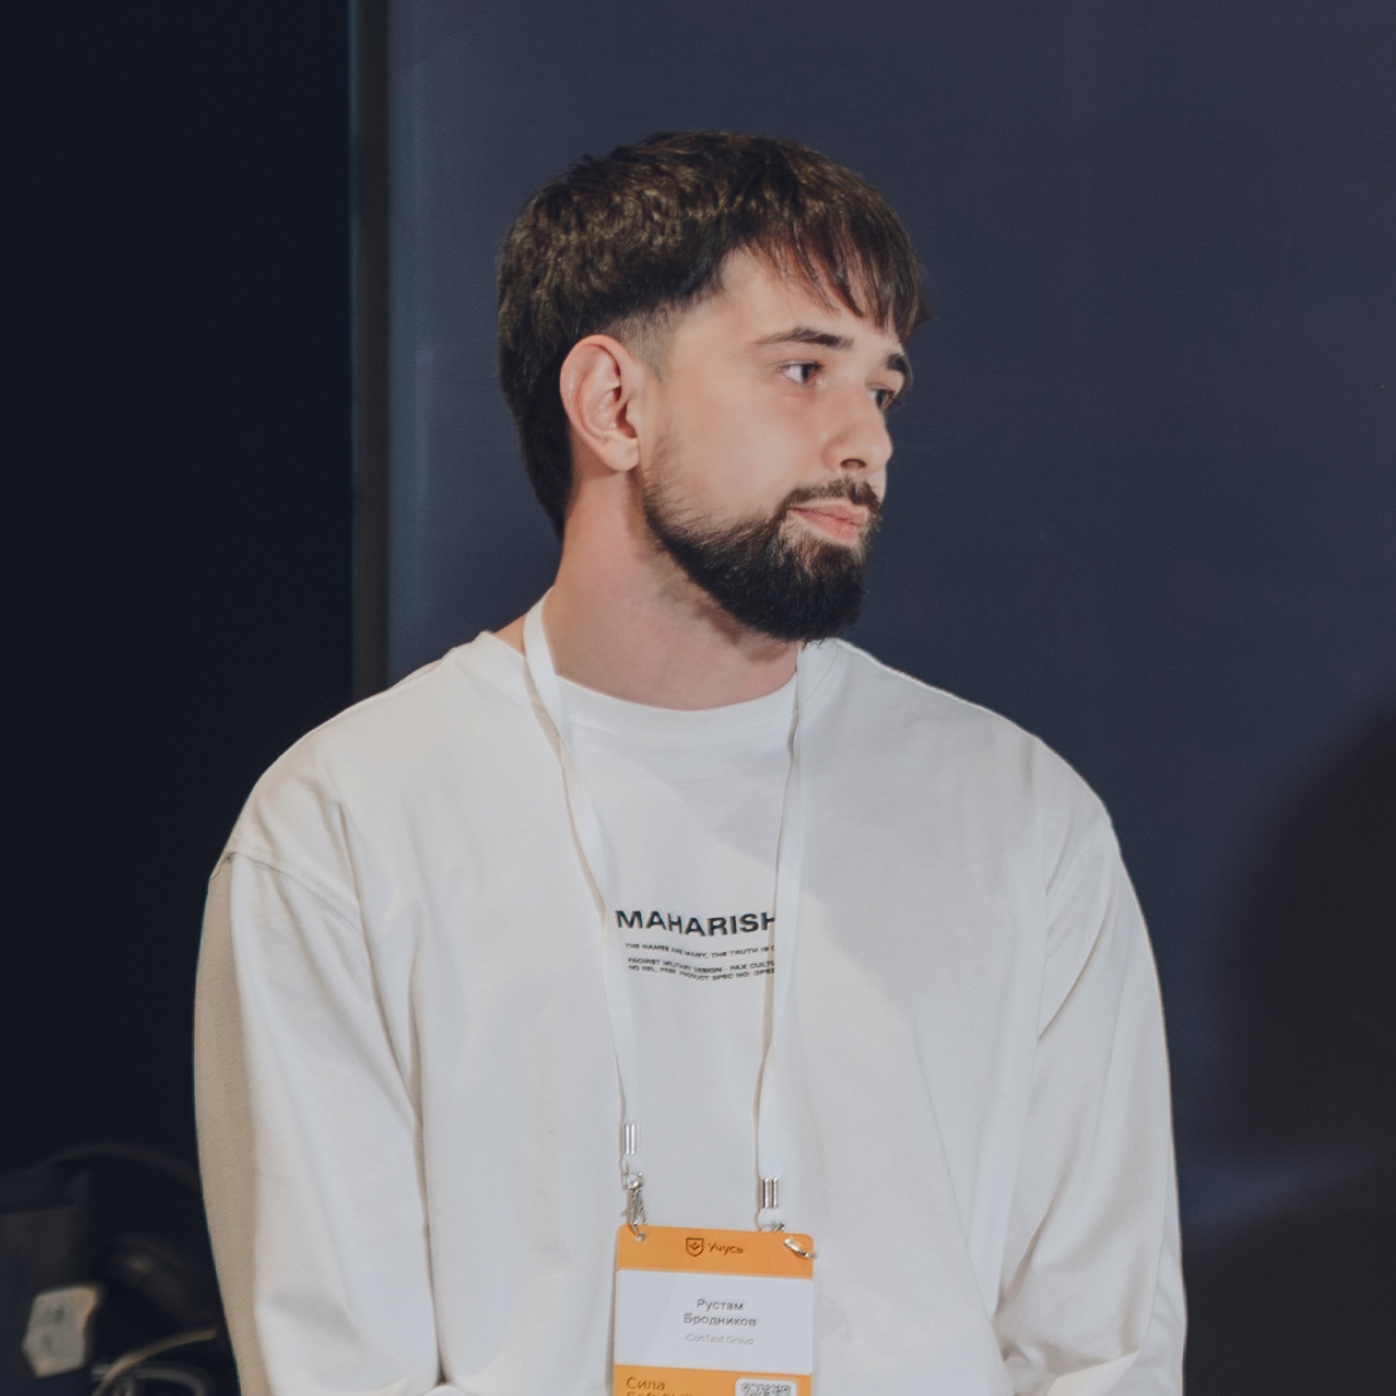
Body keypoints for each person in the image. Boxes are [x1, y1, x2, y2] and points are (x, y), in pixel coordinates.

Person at [194, 131, 1184, 1396]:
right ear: (614, 403)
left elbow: (1101, 1349)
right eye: (803, 369)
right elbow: (334, 1364)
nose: (868, 443)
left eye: (881, 390)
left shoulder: (1019, 818)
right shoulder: (346, 825)